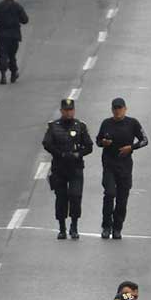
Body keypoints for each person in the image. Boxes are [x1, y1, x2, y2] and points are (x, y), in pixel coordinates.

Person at [96, 97, 148, 239]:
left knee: (122, 198)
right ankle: (106, 225)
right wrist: (104, 143)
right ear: (112, 110)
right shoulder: (106, 123)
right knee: (109, 193)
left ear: (125, 109)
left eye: (120, 108)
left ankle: (117, 227)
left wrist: (131, 147)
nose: (117, 111)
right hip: (109, 164)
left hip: (124, 165)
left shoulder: (132, 123)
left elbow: (145, 140)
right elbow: (98, 140)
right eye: (115, 109)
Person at [43, 98, 94, 240]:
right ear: (61, 111)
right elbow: (46, 143)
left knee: (75, 196)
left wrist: (78, 154)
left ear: (74, 110)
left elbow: (89, 146)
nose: (68, 113)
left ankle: (74, 226)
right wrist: (60, 154)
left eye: (70, 110)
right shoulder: (53, 126)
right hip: (59, 168)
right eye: (65, 110)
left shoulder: (80, 126)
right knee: (61, 198)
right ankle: (62, 228)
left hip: (75, 168)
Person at [0, 0, 29, 84]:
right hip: (14, 35)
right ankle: (13, 73)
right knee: (12, 55)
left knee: (2, 54)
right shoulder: (17, 6)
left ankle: (3, 74)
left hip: (2, 35)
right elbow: (25, 20)